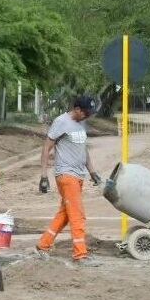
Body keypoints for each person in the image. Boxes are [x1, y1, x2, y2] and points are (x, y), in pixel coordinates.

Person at [36, 96, 102, 265]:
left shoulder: (81, 123)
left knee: (65, 214)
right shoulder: (61, 122)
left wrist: (92, 171)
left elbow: (83, 148)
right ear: (77, 109)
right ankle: (80, 255)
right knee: (77, 215)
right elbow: (46, 147)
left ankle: (43, 245)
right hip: (66, 175)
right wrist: (44, 176)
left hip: (79, 175)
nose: (88, 116)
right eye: (86, 113)